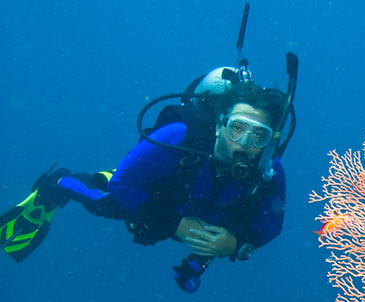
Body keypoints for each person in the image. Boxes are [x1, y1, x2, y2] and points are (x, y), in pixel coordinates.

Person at [0, 68, 291, 290]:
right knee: (101, 200)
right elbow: (123, 186)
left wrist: (234, 244)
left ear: (269, 140)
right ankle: (57, 183)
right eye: (238, 128)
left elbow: (271, 224)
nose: (244, 143)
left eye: (259, 135)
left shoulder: (270, 170)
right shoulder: (178, 136)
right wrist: (174, 224)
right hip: (154, 199)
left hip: (203, 215)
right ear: (219, 123)